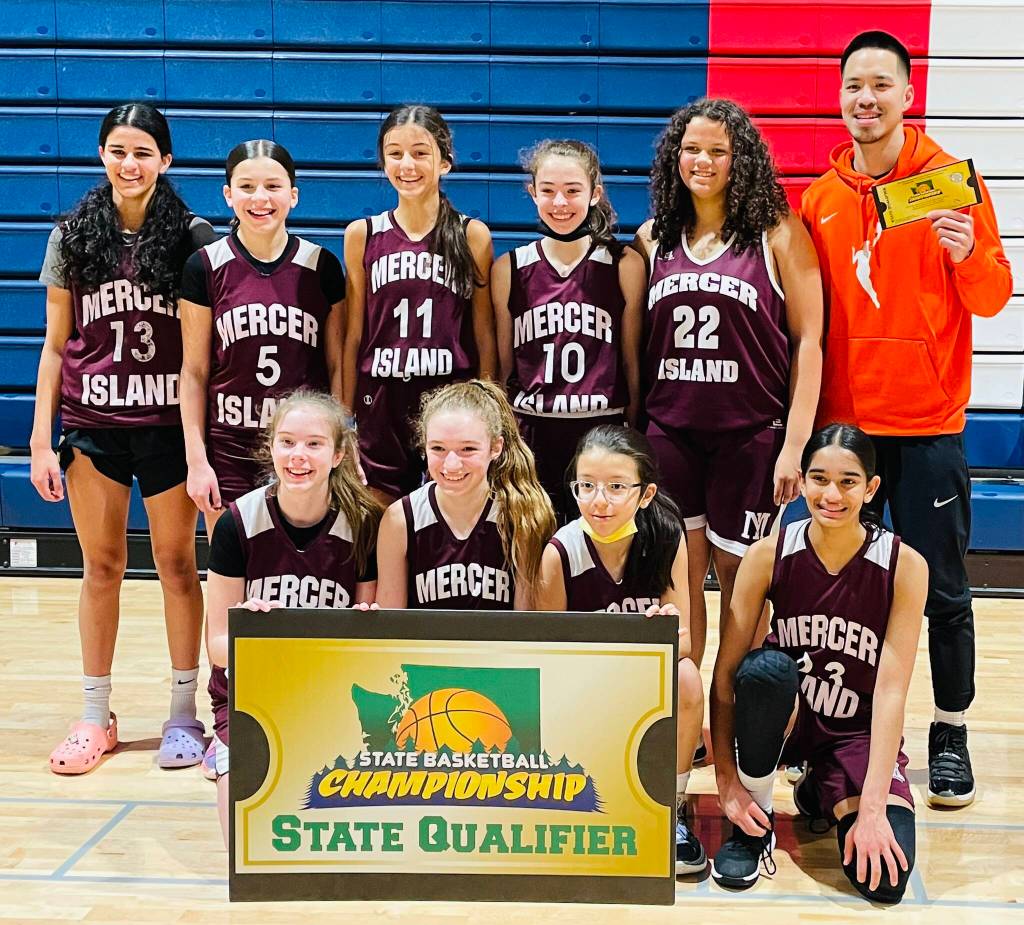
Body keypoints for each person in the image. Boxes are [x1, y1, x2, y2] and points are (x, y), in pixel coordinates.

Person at [800, 31, 1012, 807]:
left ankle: (949, 730)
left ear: (906, 95)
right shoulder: (819, 199)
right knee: (839, 591)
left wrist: (965, 256)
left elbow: (991, 297)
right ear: (842, 96)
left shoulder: (952, 184)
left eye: (881, 85)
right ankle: (840, 735)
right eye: (854, 84)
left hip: (926, 425)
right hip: (845, 435)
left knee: (945, 591)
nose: (866, 98)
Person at [31, 103, 215, 775]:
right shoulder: (73, 235)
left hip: (166, 426)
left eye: (143, 151)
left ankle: (182, 710)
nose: (129, 162)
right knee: (101, 566)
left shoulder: (194, 238)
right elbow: (55, 349)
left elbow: (203, 358)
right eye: (117, 149)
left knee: (175, 565)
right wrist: (40, 441)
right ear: (102, 155)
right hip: (94, 425)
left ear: (165, 160)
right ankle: (94, 714)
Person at [634, 98, 823, 689]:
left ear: (741, 159)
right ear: (674, 157)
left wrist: (795, 445)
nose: (704, 160)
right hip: (671, 431)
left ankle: (736, 716)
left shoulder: (778, 233)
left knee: (743, 594)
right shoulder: (652, 238)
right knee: (679, 588)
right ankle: (687, 722)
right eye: (692, 149)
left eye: (719, 150)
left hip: (751, 435)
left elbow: (811, 342)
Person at [709, 424, 927, 902]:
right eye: (819, 478)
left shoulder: (904, 565)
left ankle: (820, 791)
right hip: (783, 719)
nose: (831, 493)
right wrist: (726, 781)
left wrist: (871, 809)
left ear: (870, 488)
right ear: (801, 482)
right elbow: (725, 676)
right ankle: (754, 825)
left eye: (848, 481)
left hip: (853, 733)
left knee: (885, 880)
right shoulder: (768, 554)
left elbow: (892, 689)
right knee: (764, 671)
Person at [205, 390, 381, 842]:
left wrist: (362, 630)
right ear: (271, 447)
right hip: (251, 695)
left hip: (330, 694)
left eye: (314, 444)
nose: (298, 456)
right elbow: (218, 646)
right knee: (241, 848)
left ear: (339, 453)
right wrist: (256, 635)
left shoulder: (363, 523)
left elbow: (372, 643)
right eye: (286, 442)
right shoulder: (237, 523)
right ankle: (224, 750)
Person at [535, 424, 706, 875]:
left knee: (687, 678)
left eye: (616, 487)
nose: (599, 500)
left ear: (645, 494)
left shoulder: (667, 535)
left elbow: (685, 640)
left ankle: (672, 805)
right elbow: (545, 655)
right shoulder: (560, 553)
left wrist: (658, 633)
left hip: (640, 681)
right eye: (586, 486)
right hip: (579, 691)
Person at [179, 139, 345, 522]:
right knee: (230, 575)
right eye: (247, 186)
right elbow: (194, 372)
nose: (260, 198)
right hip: (231, 449)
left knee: (301, 573)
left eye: (272, 186)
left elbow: (337, 367)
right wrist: (197, 460)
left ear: (293, 195)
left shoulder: (322, 266)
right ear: (228, 194)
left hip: (304, 450)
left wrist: (342, 444)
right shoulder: (203, 266)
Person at [343, 104, 497, 505]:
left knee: (444, 521)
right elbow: (354, 333)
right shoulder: (362, 234)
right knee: (378, 527)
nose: (407, 164)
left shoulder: (471, 235)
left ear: (444, 162)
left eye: (420, 152)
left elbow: (483, 333)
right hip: (381, 400)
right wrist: (343, 420)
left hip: (449, 398)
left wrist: (489, 410)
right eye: (395, 153)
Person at [492, 140, 645, 517]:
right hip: (532, 432)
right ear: (532, 193)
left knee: (597, 550)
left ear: (595, 194)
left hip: (602, 429)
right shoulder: (509, 268)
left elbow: (632, 363)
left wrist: (635, 431)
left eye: (572, 191)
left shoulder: (624, 263)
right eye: (548, 191)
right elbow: (502, 369)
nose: (560, 203)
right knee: (534, 548)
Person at [375, 379, 555, 611]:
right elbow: (391, 627)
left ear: (495, 448)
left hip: (497, 647)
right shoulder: (400, 519)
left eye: (468, 449)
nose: (451, 464)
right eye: (438, 448)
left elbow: (526, 629)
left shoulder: (520, 515)